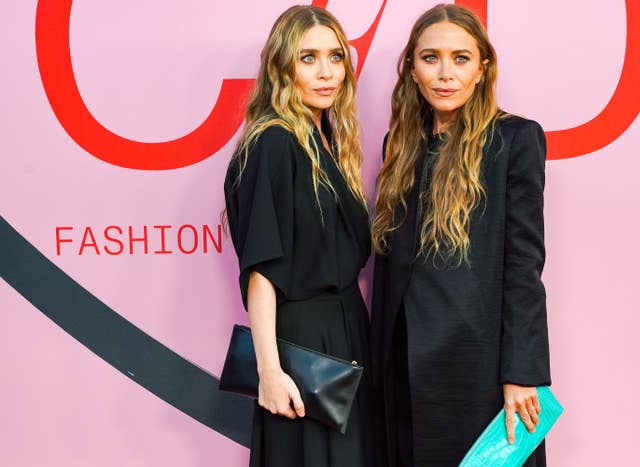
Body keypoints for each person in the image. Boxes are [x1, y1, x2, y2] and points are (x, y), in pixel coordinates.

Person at [370, 4, 551, 467]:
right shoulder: (400, 144)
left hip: (478, 365)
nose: (445, 73)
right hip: (404, 363)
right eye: (430, 58)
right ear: (412, 68)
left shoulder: (515, 139)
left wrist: (522, 372)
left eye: (461, 58)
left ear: (482, 68)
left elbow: (524, 263)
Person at [221, 6, 372, 467]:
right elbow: (263, 269)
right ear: (282, 66)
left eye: (335, 57)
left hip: (346, 335)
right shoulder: (274, 141)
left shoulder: (322, 136)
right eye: (308, 58)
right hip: (304, 347)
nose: (326, 73)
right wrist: (269, 369)